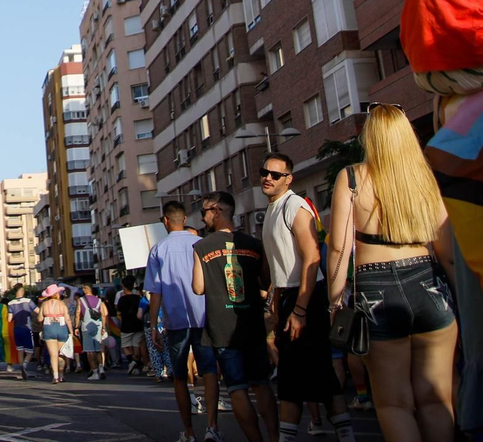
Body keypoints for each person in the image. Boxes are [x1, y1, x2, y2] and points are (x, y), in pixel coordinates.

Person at [325, 105, 458, 442]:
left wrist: (335, 303)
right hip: (428, 280)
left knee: (393, 403)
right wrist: (460, 297)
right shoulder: (424, 176)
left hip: (375, 288)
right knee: (436, 398)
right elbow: (446, 251)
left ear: (370, 137)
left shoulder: (351, 178)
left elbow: (339, 248)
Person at [261, 154, 353, 442]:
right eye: (265, 172)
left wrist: (300, 309)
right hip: (287, 297)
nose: (268, 178)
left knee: (307, 378)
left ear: (288, 179)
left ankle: (343, 436)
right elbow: (280, 268)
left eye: (276, 175)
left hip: (306, 298)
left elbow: (312, 257)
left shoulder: (295, 206)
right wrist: (277, 305)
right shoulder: (271, 209)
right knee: (301, 378)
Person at [191, 192, 277, 442]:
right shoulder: (254, 244)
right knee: (261, 384)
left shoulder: (202, 246)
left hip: (222, 328)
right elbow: (266, 280)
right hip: (252, 323)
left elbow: (198, 288)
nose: (203, 218)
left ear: (216, 211)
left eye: (204, 212)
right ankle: (275, 438)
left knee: (238, 388)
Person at [145, 201, 203, 442]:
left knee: (180, 376)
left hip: (175, 320)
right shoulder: (201, 244)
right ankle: (213, 426)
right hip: (204, 317)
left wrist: (153, 326)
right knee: (210, 373)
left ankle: (189, 431)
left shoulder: (158, 249)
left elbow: (155, 291)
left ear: (165, 221)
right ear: (185, 219)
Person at [37, 284, 72, 383]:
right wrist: (71, 331)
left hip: (48, 328)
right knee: (61, 353)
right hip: (61, 328)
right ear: (56, 293)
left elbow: (39, 319)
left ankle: (55, 376)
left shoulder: (44, 304)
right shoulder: (62, 304)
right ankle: (61, 375)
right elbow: (68, 319)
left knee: (53, 354)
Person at [75, 283, 109, 380]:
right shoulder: (99, 300)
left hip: (86, 326)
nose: (83, 290)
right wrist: (103, 327)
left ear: (87, 289)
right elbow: (103, 314)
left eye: (84, 288)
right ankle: (101, 368)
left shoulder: (80, 300)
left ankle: (94, 371)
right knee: (98, 349)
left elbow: (77, 313)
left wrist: (76, 327)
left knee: (89, 350)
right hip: (97, 325)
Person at [116, 276, 147, 376]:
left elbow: (118, 312)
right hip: (138, 324)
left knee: (125, 346)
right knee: (136, 345)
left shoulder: (122, 299)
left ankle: (132, 362)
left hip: (126, 325)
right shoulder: (138, 298)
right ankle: (136, 364)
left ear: (124, 287)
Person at [7, 285, 37, 380]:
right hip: (27, 328)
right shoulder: (28, 301)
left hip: (16, 329)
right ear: (22, 290)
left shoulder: (10, 303)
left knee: (20, 350)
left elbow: (9, 319)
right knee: (30, 352)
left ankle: (22, 370)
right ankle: (24, 365)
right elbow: (38, 311)